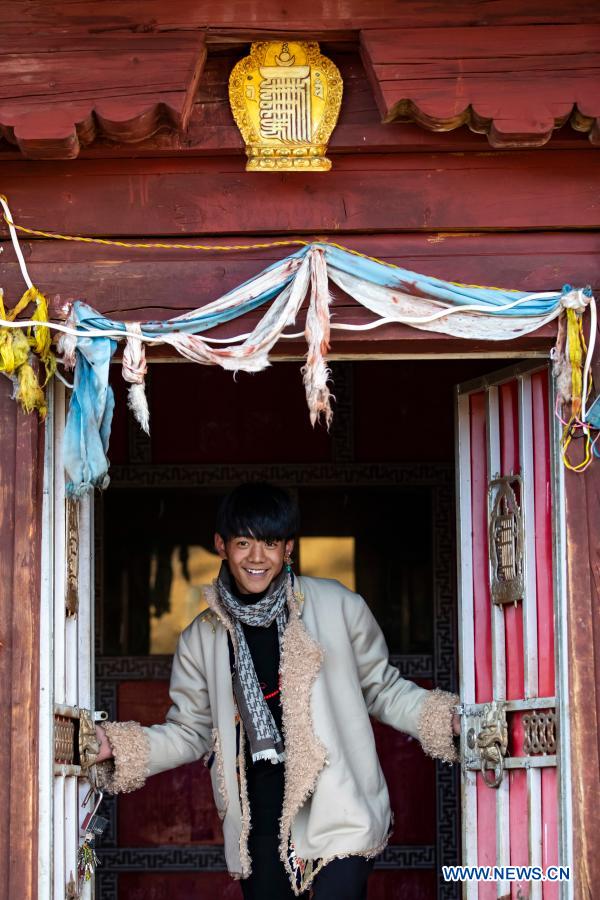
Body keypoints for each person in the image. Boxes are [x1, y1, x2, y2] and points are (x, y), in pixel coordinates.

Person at [95, 482, 461, 899]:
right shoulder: (202, 637)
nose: (256, 557)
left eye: (270, 543)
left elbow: (383, 689)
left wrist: (442, 719)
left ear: (288, 548)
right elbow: (190, 731)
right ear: (221, 545)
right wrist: (119, 747)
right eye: (243, 542)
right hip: (260, 815)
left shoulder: (338, 606)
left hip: (338, 800)